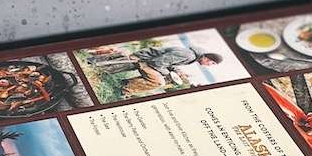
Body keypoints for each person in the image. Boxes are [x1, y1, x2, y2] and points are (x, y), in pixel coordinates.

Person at [91, 41, 226, 97]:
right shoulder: (188, 55)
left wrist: (177, 71)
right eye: (211, 63)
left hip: (148, 61)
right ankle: (125, 89)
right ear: (207, 58)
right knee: (160, 82)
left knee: (165, 78)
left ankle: (126, 85)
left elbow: (170, 62)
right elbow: (158, 62)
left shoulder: (192, 57)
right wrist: (170, 74)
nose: (210, 66)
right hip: (143, 60)